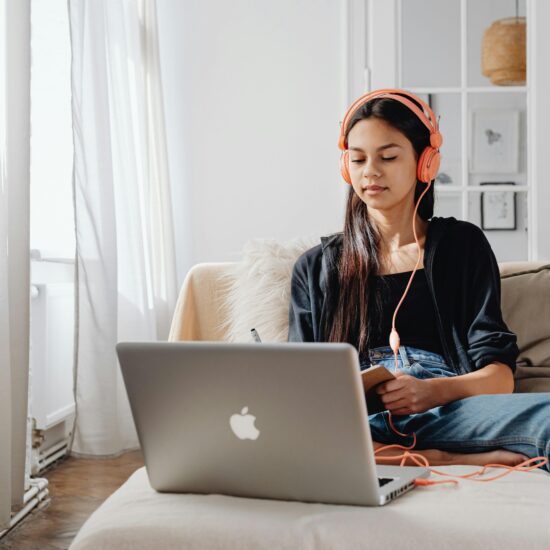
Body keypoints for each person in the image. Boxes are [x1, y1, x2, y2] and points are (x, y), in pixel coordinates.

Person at [287, 89, 550, 471]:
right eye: (358, 159)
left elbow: (499, 378)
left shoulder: (462, 246)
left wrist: (432, 391)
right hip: (357, 425)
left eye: (388, 156)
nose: (370, 172)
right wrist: (441, 458)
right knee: (293, 427)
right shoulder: (315, 268)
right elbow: (299, 391)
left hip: (450, 409)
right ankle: (436, 459)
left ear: (425, 163)